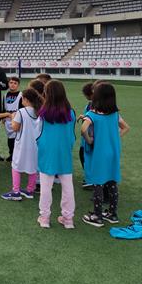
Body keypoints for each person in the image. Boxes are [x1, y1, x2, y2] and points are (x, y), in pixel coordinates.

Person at [81, 83, 130, 227]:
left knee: (98, 183)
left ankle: (97, 216)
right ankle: (112, 214)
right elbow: (126, 127)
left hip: (99, 153)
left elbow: (83, 129)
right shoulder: (114, 114)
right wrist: (113, 137)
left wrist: (90, 140)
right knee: (112, 182)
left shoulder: (92, 114)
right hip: (113, 152)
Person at [36, 80, 76, 229]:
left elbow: (38, 133)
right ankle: (68, 219)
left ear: (47, 94)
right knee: (67, 186)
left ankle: (44, 218)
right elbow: (72, 135)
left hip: (47, 152)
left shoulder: (43, 113)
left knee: (46, 187)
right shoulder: (71, 113)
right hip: (64, 151)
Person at [1, 88, 43, 201]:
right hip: (35, 144)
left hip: (22, 144)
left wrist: (13, 117)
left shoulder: (21, 112)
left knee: (16, 166)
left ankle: (16, 191)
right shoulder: (39, 111)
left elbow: (15, 128)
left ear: (25, 99)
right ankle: (30, 190)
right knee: (33, 166)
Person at [78, 82, 94, 189]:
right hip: (88, 137)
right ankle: (90, 178)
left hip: (90, 136)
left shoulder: (94, 105)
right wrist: (84, 117)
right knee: (84, 155)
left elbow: (93, 119)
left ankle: (91, 180)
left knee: (87, 157)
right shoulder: (91, 104)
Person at [3, 76, 23, 162]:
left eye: (15, 83)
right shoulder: (5, 95)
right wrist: (3, 117)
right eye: (11, 83)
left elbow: (22, 108)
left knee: (17, 138)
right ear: (8, 84)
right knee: (10, 139)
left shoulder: (21, 95)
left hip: (17, 119)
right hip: (8, 119)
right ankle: (11, 154)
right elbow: (4, 107)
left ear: (18, 85)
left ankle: (17, 156)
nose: (12, 85)